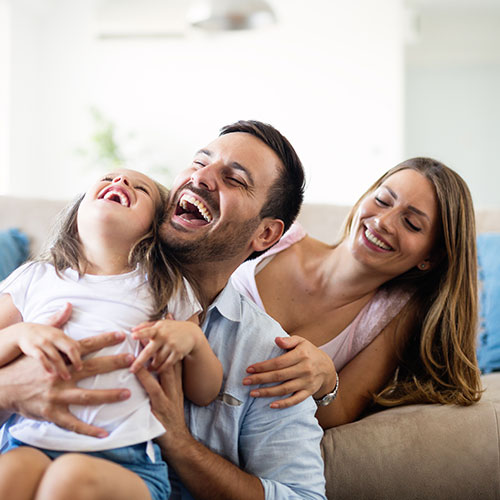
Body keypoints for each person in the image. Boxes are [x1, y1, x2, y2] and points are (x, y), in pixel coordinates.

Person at [0, 121, 326, 500]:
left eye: (234, 178)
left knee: (71, 479)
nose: (201, 177)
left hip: (125, 468)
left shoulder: (271, 356)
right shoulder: (40, 280)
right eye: (199, 161)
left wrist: (180, 443)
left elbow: (302, 496)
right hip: (28, 450)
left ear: (266, 234)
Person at [0, 169, 223, 500]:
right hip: (30, 439)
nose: (120, 183)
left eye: (141, 188)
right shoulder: (34, 277)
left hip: (126, 459)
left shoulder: (167, 287)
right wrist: (19, 334)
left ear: (156, 226)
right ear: (76, 210)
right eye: (109, 178)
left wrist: (193, 341)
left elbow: (205, 392)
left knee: (69, 478)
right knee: (9, 475)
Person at [231, 157, 483, 429]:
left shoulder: (389, 317)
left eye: (410, 223)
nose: (383, 221)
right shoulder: (277, 235)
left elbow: (337, 411)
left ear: (431, 257)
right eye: (383, 200)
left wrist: (328, 380)